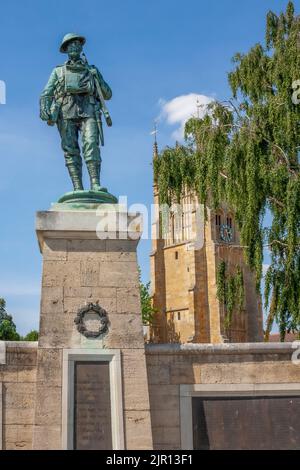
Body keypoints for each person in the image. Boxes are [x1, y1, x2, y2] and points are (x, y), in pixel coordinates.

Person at [40, 33, 112, 192]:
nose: (74, 47)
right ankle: (77, 187)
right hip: (66, 112)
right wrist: (44, 109)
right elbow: (47, 92)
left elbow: (107, 94)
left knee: (91, 145)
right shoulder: (58, 72)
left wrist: (97, 79)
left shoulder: (91, 70)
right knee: (70, 149)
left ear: (81, 48)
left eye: (77, 44)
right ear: (66, 49)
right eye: (71, 45)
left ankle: (95, 183)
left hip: (89, 110)